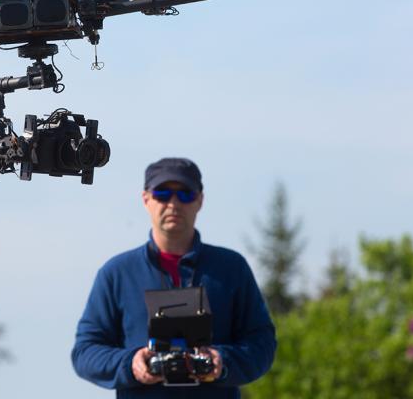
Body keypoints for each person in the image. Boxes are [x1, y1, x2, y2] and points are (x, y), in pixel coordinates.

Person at [71, 158, 276, 398]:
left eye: (185, 194)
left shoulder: (231, 269)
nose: (173, 204)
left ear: (200, 200)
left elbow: (262, 344)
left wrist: (222, 361)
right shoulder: (117, 273)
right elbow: (85, 352)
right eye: (163, 193)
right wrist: (131, 364)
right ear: (146, 199)